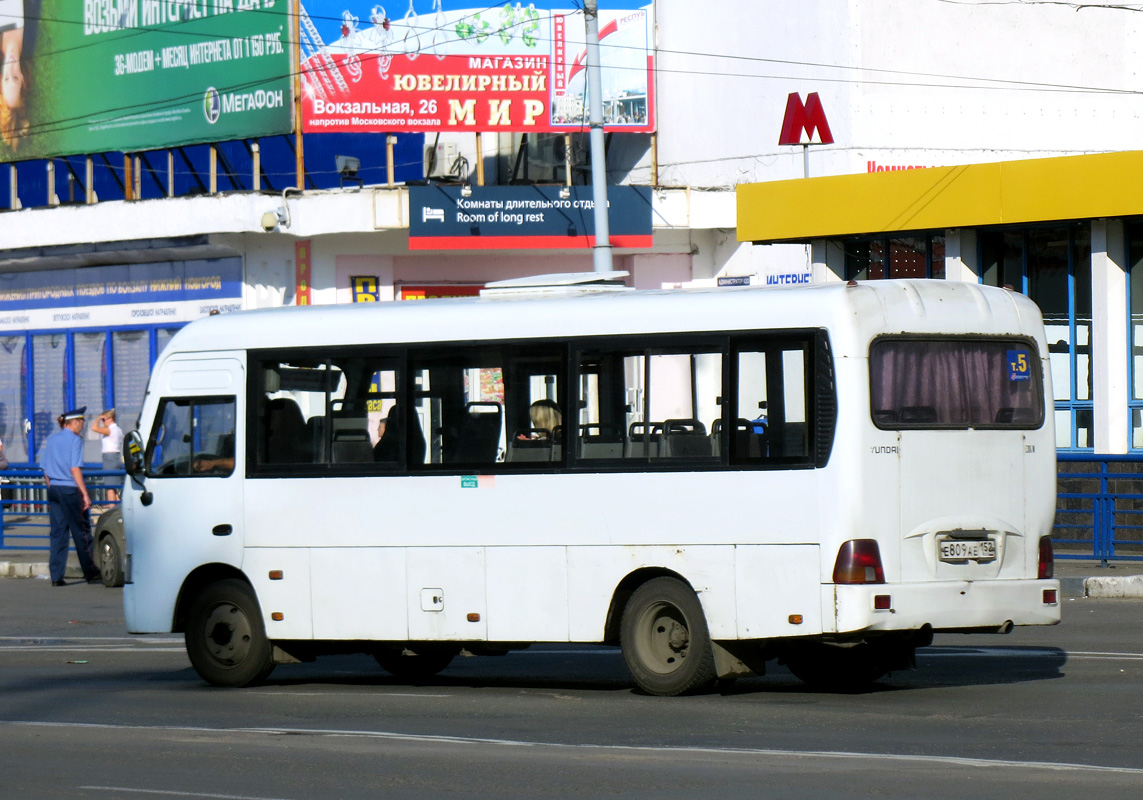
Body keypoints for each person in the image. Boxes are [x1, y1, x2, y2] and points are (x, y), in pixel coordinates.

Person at [39, 407, 100, 586]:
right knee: (81, 532)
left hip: (55, 489)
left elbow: (45, 469)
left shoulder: (52, 439)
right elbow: (75, 469)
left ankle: (57, 576)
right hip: (70, 489)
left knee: (58, 533)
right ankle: (91, 572)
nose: (82, 425)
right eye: (81, 422)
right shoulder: (75, 440)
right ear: (74, 423)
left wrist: (52, 486)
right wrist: (85, 494)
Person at [91, 408, 123, 504]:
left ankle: (111, 508)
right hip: (116, 456)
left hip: (110, 457)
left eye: (104, 420)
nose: (103, 422)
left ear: (109, 418)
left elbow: (94, 428)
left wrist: (98, 418)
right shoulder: (118, 429)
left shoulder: (111, 430)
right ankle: (117, 506)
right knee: (115, 485)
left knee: (109, 487)